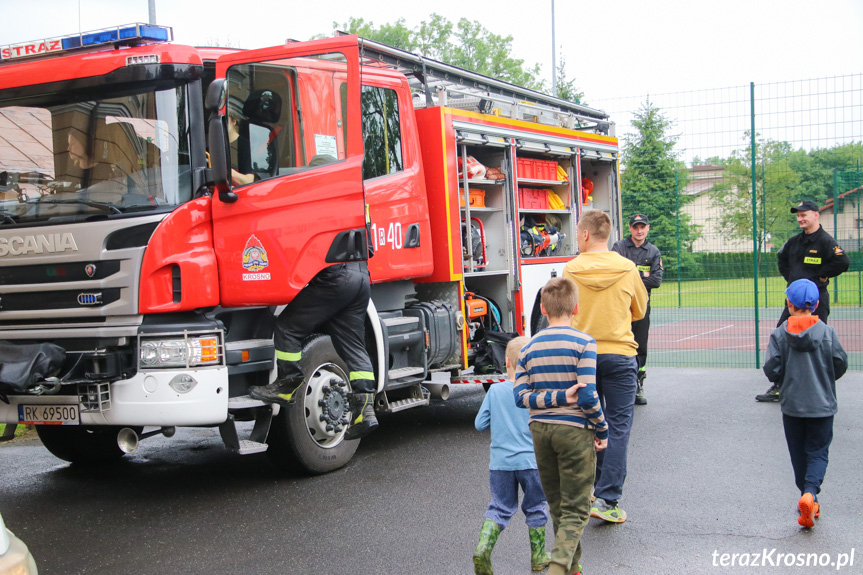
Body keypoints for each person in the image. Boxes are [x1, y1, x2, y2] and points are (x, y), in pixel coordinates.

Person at [514, 277, 608, 575]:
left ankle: (573, 568)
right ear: (576, 308)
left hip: (540, 431)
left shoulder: (528, 349)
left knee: (556, 504)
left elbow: (520, 397)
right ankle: (558, 567)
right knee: (577, 508)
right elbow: (587, 394)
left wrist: (551, 397)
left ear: (542, 308)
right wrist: (601, 428)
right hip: (574, 431)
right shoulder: (584, 343)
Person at [563, 210, 647, 524]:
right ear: (608, 234)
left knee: (586, 424)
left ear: (585, 235)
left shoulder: (571, 269)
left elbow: (564, 312)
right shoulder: (627, 268)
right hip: (620, 354)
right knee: (618, 426)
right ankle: (609, 499)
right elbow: (638, 311)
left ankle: (587, 492)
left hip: (583, 356)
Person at [248, 259, 379, 441]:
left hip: (336, 275)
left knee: (288, 328)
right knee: (354, 346)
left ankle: (287, 386)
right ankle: (363, 411)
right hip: (362, 276)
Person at [761, 279, 847, 528]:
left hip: (793, 405)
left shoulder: (780, 333)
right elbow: (840, 363)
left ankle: (806, 497)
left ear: (789, 303)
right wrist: (826, 379)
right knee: (818, 452)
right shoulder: (827, 332)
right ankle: (811, 493)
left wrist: (784, 381)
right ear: (817, 304)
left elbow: (772, 368)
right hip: (822, 404)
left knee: (798, 453)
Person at [472, 335, 552, 575]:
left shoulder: (495, 391)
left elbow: (479, 424)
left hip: (500, 464)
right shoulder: (537, 393)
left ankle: (483, 549)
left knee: (500, 506)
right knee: (537, 506)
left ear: (506, 362)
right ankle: (538, 556)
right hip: (532, 462)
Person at [756, 200, 850, 402]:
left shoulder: (826, 241)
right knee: (783, 336)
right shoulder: (794, 242)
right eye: (798, 215)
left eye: (803, 214)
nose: (800, 218)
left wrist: (823, 275)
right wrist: (792, 281)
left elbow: (843, 261)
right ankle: (780, 386)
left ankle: (820, 386)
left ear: (816, 215)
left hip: (816, 302)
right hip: (793, 301)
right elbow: (781, 259)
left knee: (818, 341)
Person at [612, 213, 663, 405]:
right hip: (620, 305)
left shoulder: (653, 252)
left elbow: (656, 281)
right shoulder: (619, 247)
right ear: (630, 229)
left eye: (643, 227)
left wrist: (631, 278)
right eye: (635, 227)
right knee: (618, 342)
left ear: (648, 228)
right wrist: (641, 278)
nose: (639, 230)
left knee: (639, 343)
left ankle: (637, 383)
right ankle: (618, 383)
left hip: (642, 305)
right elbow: (614, 275)